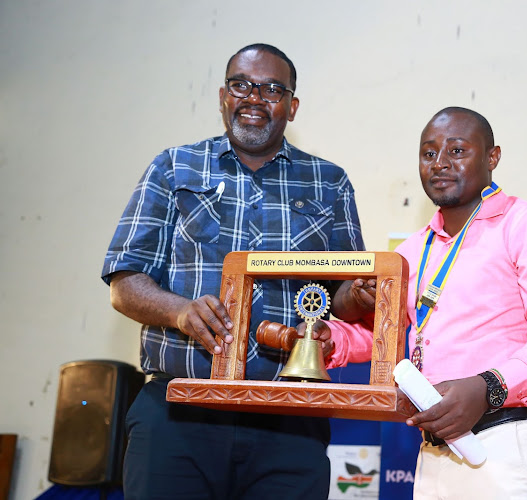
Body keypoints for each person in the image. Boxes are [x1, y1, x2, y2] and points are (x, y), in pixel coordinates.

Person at [101, 43, 364, 500]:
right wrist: (180, 312)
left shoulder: (330, 182)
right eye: (242, 85)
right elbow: (126, 284)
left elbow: (339, 291)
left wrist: (361, 297)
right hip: (178, 412)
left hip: (290, 418)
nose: (255, 98)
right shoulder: (172, 168)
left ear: (292, 106)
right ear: (224, 96)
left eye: (272, 89)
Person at [321, 107, 527, 498]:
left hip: (509, 439)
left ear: (492, 157)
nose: (440, 163)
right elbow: (389, 338)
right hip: (435, 449)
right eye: (428, 153)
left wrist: (488, 388)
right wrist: (326, 339)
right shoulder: (414, 249)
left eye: (457, 151)